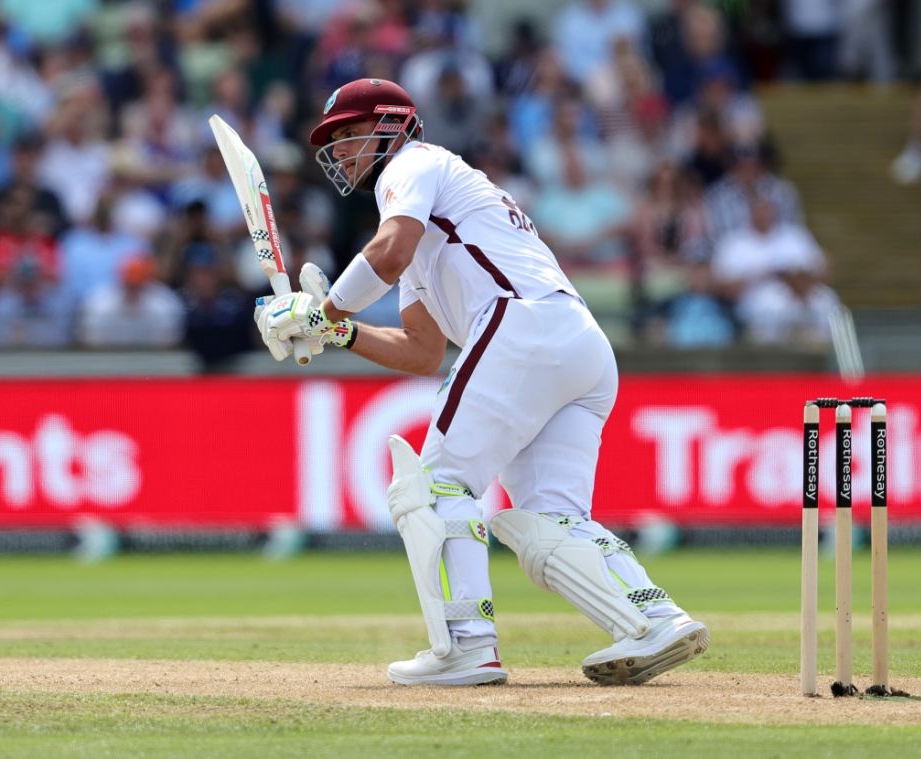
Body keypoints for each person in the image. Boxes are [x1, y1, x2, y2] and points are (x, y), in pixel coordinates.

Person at [255, 78, 708, 687]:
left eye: (346, 134)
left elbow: (386, 255)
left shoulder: (413, 165)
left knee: (437, 486)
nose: (337, 151)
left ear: (389, 126)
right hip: (576, 343)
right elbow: (421, 351)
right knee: (552, 516)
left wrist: (325, 311)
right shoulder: (425, 222)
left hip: (519, 326)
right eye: (330, 142)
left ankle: (468, 644)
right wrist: (339, 333)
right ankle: (655, 619)